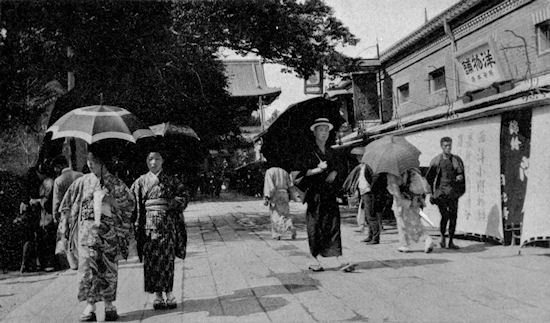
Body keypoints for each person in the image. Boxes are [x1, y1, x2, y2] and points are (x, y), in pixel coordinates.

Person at [59, 146, 134, 321]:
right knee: (87, 269)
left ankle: (109, 305)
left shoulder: (116, 184)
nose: (90, 165)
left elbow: (129, 205)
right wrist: (66, 225)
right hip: (87, 233)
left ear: (102, 163)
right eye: (88, 161)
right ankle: (90, 306)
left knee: (108, 269)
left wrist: (112, 201)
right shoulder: (83, 182)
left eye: (93, 162)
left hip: (109, 233)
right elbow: (67, 204)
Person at [295, 118, 355, 272]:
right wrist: (316, 170)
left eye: (326, 130)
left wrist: (335, 172)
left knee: (333, 223)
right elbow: (299, 174)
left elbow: (340, 168)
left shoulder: (331, 151)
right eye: (320, 130)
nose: (324, 133)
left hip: (329, 193)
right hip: (314, 194)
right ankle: (314, 258)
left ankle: (339, 257)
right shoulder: (307, 152)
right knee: (315, 226)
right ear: (314, 132)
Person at [131, 151, 188, 310]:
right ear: (146, 161)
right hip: (148, 227)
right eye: (150, 159)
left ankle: (169, 293)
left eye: (157, 159)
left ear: (162, 161)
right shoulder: (140, 182)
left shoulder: (171, 180)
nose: (153, 162)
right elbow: (133, 204)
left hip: (167, 224)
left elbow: (184, 196)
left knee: (167, 259)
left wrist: (171, 203)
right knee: (151, 261)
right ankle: (157, 295)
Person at [426, 136, 466, 250]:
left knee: (453, 216)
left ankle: (451, 241)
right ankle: (443, 237)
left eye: (449, 145)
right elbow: (429, 178)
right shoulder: (436, 160)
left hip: (452, 192)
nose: (448, 148)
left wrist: (459, 177)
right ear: (441, 146)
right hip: (441, 193)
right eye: (446, 146)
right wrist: (430, 194)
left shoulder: (455, 160)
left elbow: (460, 173)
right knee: (445, 215)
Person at [14, 163, 55, 272]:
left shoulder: (27, 182)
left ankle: (27, 265)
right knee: (32, 238)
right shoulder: (40, 182)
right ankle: (29, 264)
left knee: (30, 238)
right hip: (33, 214)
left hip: (30, 213)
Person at [386, 168, 434, 253]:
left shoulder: (393, 173)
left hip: (401, 201)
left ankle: (409, 243)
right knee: (413, 222)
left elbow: (393, 189)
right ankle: (421, 240)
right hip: (413, 200)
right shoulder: (412, 171)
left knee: (403, 223)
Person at [52, 155, 83, 269]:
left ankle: (74, 263)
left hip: (67, 214)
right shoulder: (80, 176)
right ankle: (83, 258)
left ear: (59, 166)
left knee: (67, 237)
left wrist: (56, 216)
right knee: (80, 235)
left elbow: (57, 201)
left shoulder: (58, 181)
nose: (54, 170)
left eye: (55, 167)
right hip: (80, 210)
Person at [263, 167, 297, 240]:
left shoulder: (269, 171)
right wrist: (292, 196)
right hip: (284, 194)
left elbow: (270, 186)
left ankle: (277, 234)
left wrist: (267, 197)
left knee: (275, 215)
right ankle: (290, 224)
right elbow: (290, 186)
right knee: (284, 214)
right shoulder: (285, 171)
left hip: (275, 194)